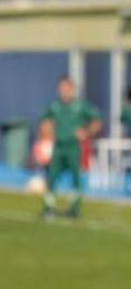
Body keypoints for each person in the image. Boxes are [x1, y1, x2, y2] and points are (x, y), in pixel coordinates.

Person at [41, 75, 102, 219]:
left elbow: (97, 121)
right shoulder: (54, 106)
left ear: (72, 89)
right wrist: (48, 131)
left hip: (74, 147)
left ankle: (74, 208)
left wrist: (86, 132)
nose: (64, 91)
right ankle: (48, 206)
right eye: (61, 88)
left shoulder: (81, 106)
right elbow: (45, 121)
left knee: (76, 178)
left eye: (67, 88)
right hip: (58, 146)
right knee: (51, 176)